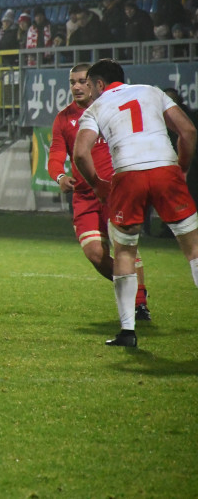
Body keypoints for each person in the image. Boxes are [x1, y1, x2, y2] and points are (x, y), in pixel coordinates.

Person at [73, 59, 198, 348]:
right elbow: (188, 131)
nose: (88, 92)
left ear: (100, 85)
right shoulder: (152, 91)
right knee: (193, 248)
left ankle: (128, 332)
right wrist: (182, 167)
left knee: (125, 251)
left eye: (90, 85)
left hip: (128, 175)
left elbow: (81, 154)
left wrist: (97, 185)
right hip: (165, 170)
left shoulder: (96, 108)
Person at [47, 65, 150, 320]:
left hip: (115, 192)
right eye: (72, 82)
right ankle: (134, 290)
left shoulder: (112, 109)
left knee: (126, 249)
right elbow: (56, 155)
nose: (76, 87)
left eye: (82, 81)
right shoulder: (64, 118)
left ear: (94, 84)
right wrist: (59, 176)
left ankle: (138, 303)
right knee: (95, 254)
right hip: (84, 196)